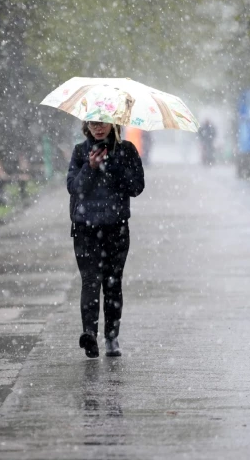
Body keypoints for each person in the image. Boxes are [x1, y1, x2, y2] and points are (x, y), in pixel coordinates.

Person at [66, 121, 145, 358]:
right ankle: (89, 334)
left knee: (112, 283)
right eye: (93, 123)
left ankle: (111, 337)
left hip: (116, 228)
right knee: (90, 281)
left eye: (103, 123)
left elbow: (136, 187)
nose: (98, 128)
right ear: (86, 125)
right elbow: (73, 188)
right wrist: (90, 167)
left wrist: (112, 166)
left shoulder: (127, 150)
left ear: (113, 124)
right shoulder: (80, 151)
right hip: (85, 229)